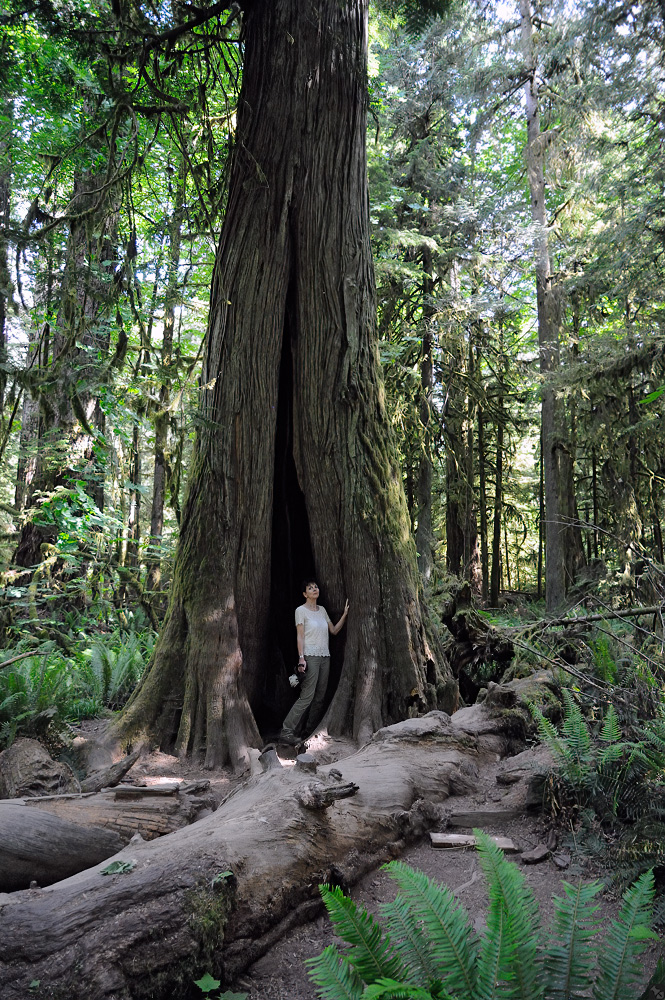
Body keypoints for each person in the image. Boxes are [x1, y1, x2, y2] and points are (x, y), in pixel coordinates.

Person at [279, 579, 349, 745]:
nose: (314, 589)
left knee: (320, 697)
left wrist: (345, 614)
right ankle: (286, 731)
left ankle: (308, 731)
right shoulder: (300, 611)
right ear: (305, 594)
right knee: (307, 697)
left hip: (325, 656)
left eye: (315, 587)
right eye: (310, 588)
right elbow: (300, 635)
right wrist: (301, 657)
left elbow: (334, 630)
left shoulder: (322, 610)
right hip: (310, 656)